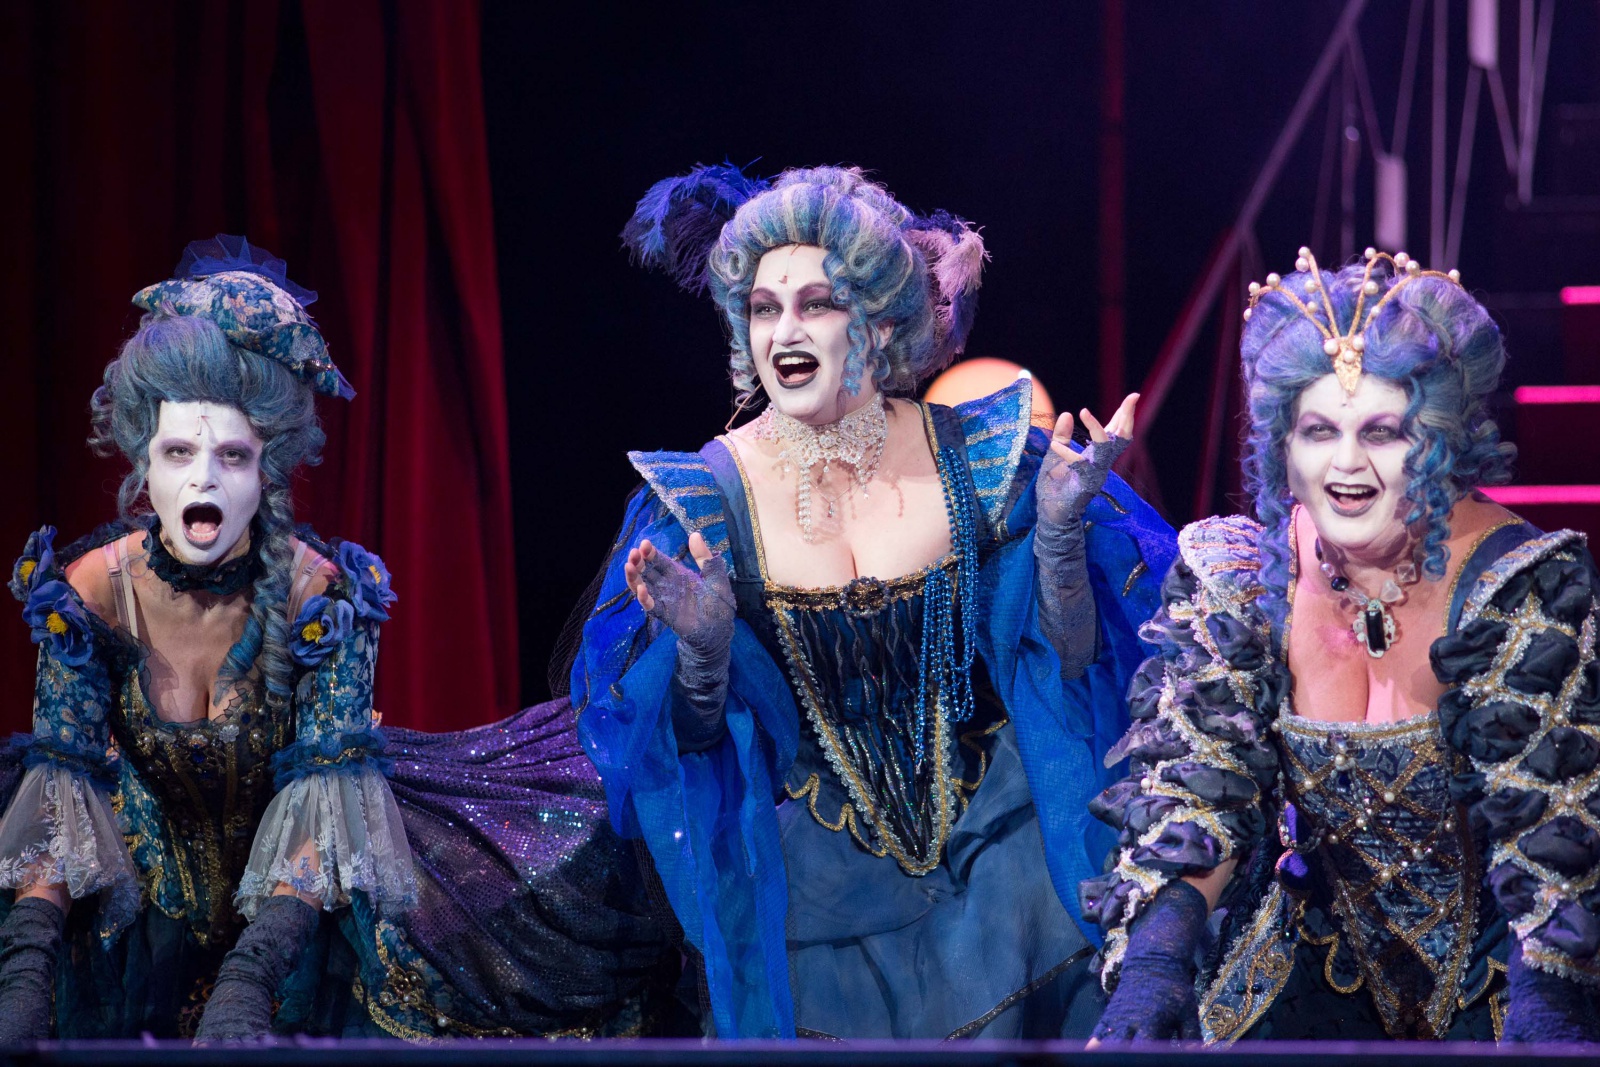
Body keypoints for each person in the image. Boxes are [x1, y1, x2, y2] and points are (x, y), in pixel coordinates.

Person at [0, 237, 671, 1041]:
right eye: (178, 452)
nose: (203, 479)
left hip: (302, 914)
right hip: (143, 918)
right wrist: (28, 963)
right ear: (145, 460)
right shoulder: (91, 593)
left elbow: (320, 804)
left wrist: (251, 974)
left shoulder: (324, 596)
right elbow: (63, 783)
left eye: (233, 455)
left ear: (269, 468)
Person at [573, 164, 1176, 1038]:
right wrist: (704, 649)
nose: (786, 330)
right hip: (821, 901)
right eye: (764, 308)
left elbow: (1072, 662)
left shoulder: (977, 458)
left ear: (881, 319)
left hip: (1002, 861)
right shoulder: (703, 502)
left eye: (816, 303)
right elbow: (686, 748)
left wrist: (1054, 538)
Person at [1081, 247, 1600, 1043]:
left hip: (1509, 961)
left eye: (1382, 433)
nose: (1347, 464)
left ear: (1435, 446)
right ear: (1282, 446)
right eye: (1319, 431)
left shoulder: (1517, 584)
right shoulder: (1242, 578)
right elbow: (1199, 785)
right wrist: (1154, 965)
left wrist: (1548, 1005)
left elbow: (1549, 824)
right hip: (1316, 959)